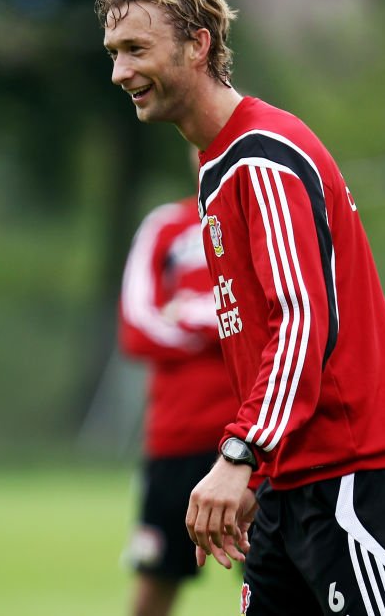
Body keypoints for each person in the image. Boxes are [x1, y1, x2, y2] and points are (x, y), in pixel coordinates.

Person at [97, 0, 385, 616]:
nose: (120, 72)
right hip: (289, 478)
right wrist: (261, 464)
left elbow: (301, 318)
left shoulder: (262, 155)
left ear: (198, 44)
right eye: (114, 52)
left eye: (136, 49)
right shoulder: (218, 167)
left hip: (350, 472)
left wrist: (239, 451)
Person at [118, 189, 240, 616]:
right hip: (178, 440)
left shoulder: (265, 214)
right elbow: (136, 327)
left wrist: (187, 311)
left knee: (279, 581)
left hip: (258, 439)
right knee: (156, 578)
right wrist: (224, 323)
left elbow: (284, 320)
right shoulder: (166, 225)